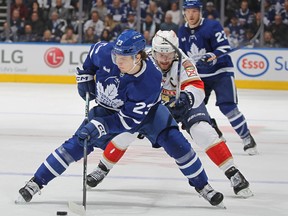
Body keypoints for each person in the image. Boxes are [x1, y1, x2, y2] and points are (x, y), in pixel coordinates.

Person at [17, 29, 225, 208]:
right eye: (116, 56)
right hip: (107, 109)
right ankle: (36, 182)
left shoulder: (149, 80)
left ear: (138, 57)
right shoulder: (106, 52)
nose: (117, 61)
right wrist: (85, 77)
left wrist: (100, 126)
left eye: (123, 58)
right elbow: (91, 58)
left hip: (149, 115)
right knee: (77, 143)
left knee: (178, 144)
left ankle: (202, 185)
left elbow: (128, 123)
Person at [85, 30, 253, 198]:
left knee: (203, 131)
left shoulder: (185, 62)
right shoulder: (142, 60)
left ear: (176, 51)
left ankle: (233, 173)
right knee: (125, 133)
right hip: (154, 105)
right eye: (160, 54)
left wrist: (187, 98)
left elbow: (198, 88)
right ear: (153, 51)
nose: (164, 59)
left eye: (169, 54)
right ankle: (103, 167)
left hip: (182, 104)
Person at [178, 0, 258, 155]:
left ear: (200, 11)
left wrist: (211, 55)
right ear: (184, 12)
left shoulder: (212, 26)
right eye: (188, 11)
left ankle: (247, 137)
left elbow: (224, 47)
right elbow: (181, 55)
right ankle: (214, 131)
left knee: (228, 107)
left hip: (221, 72)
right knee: (192, 107)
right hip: (200, 76)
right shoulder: (182, 31)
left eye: (194, 11)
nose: (191, 14)